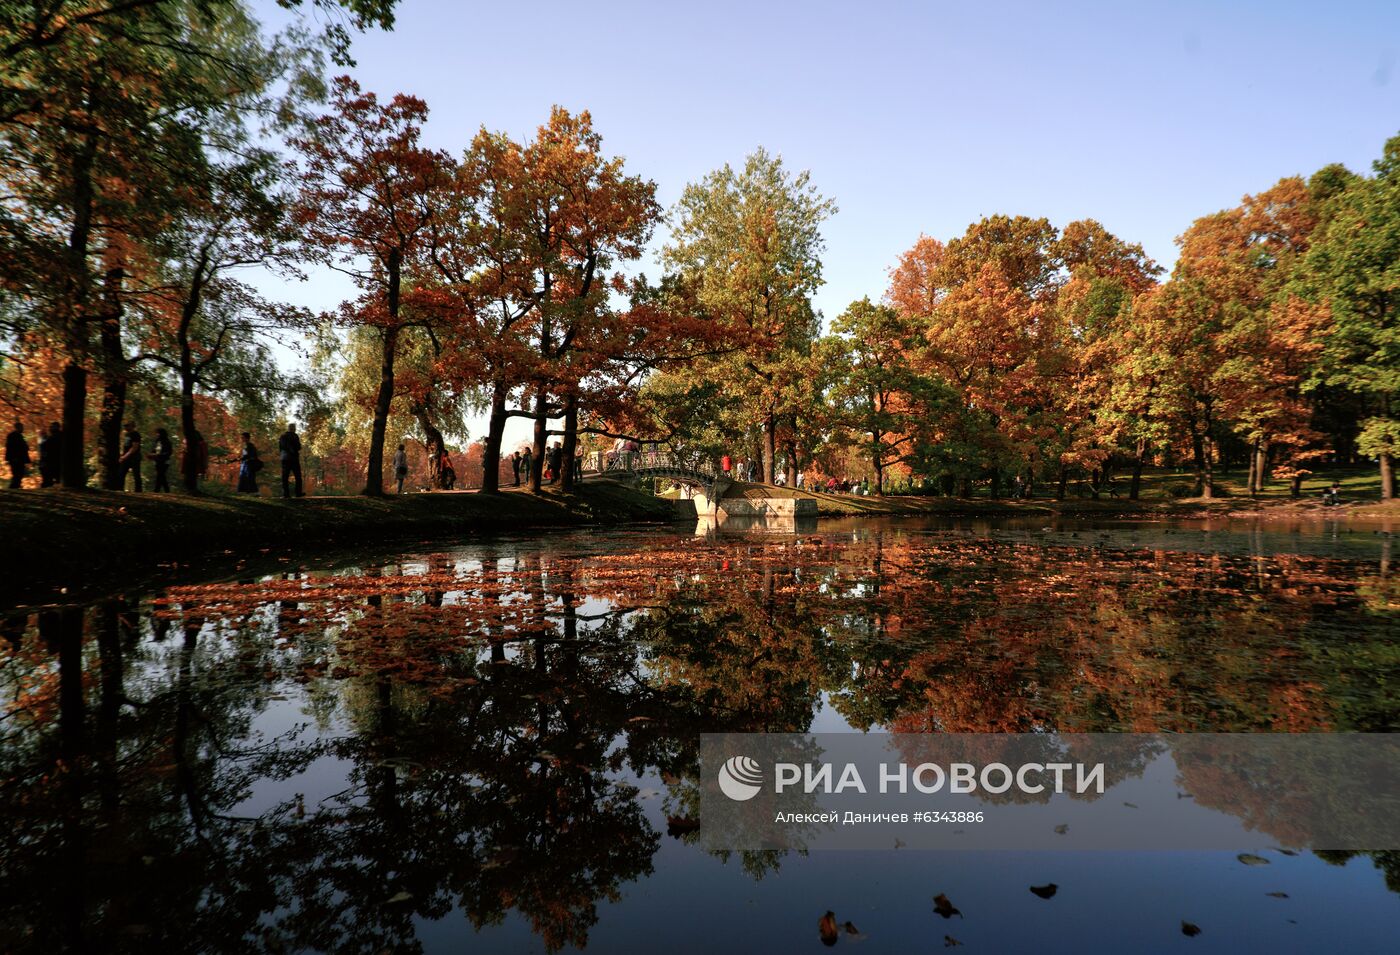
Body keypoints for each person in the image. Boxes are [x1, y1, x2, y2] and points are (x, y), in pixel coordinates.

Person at [278, 422, 303, 498]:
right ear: (293, 429)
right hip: (294, 458)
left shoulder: (282, 436)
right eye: (295, 428)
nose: (295, 429)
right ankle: (298, 493)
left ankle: (286, 494)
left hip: (285, 458)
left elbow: (281, 447)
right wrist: (294, 449)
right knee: (298, 476)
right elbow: (298, 447)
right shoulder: (295, 436)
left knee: (285, 477)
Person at [118, 422, 143, 492]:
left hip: (134, 457)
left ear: (132, 426)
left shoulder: (136, 434)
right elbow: (125, 447)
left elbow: (134, 447)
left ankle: (138, 491)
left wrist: (125, 456)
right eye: (124, 426)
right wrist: (122, 456)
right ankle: (120, 490)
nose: (125, 427)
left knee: (136, 474)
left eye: (127, 425)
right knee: (121, 473)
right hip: (126, 457)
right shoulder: (127, 434)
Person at [5, 419, 29, 489]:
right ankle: (13, 487)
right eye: (21, 427)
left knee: (19, 474)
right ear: (17, 428)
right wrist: (13, 458)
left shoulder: (20, 436)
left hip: (19, 459)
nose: (23, 429)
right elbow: (11, 447)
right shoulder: (12, 436)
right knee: (17, 474)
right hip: (16, 459)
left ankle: (15, 487)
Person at [37, 422, 61, 487]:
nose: (50, 428)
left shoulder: (55, 437)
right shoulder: (52, 437)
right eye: (50, 427)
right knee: (50, 477)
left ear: (57, 427)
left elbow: (46, 448)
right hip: (51, 460)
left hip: (53, 460)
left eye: (52, 426)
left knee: (48, 477)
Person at [151, 427, 173, 493]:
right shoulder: (157, 441)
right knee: (161, 476)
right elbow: (154, 449)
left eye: (157, 433)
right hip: (157, 461)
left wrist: (159, 455)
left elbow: (169, 452)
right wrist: (152, 454)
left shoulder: (167, 441)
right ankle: (167, 491)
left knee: (160, 475)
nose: (156, 434)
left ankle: (156, 490)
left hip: (165, 461)